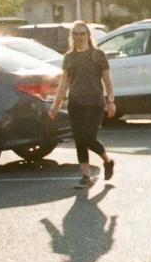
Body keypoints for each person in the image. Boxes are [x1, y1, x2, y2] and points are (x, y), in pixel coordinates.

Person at [49, 20, 116, 188]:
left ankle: (107, 161)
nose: (79, 36)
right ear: (72, 36)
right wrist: (56, 105)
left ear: (88, 35)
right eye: (76, 33)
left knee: (89, 138)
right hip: (75, 102)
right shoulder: (69, 57)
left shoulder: (97, 54)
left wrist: (111, 101)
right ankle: (86, 176)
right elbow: (64, 83)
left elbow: (107, 80)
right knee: (79, 140)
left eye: (82, 33)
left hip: (94, 102)